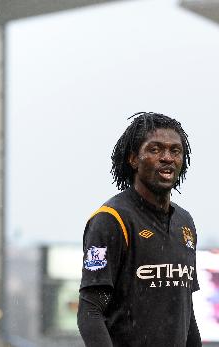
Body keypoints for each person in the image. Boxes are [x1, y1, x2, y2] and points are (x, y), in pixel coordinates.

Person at [78, 112, 202, 347]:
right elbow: (90, 310)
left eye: (175, 151)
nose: (167, 158)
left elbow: (187, 313)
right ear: (134, 159)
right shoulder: (111, 220)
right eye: (155, 149)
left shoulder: (185, 223)